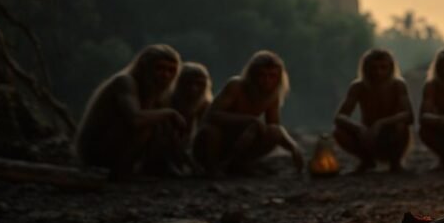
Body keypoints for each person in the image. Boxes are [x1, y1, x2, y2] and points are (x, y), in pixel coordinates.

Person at [73, 45, 184, 179]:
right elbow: (135, 119)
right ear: (145, 67)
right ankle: (122, 171)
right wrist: (170, 113)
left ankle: (156, 166)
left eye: (171, 70)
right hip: (96, 151)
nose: (166, 75)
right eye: (160, 68)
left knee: (163, 122)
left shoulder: (157, 94)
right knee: (150, 122)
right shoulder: (125, 82)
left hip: (117, 145)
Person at [193, 51, 303, 175]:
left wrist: (293, 147)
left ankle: (238, 164)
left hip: (241, 142)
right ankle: (212, 168)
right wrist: (250, 120)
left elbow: (274, 127)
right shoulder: (236, 86)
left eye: (272, 76)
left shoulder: (272, 96)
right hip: (215, 141)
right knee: (211, 132)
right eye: (262, 75)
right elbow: (212, 116)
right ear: (252, 75)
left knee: (273, 133)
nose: (267, 81)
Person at [333, 49, 413, 172]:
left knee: (401, 125)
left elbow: (409, 115)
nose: (378, 72)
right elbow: (340, 117)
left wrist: (381, 123)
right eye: (374, 68)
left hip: (391, 133)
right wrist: (359, 128)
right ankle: (366, 161)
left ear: (390, 68)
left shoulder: (398, 85)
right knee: (339, 132)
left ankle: (396, 163)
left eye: (383, 67)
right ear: (366, 68)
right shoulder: (358, 86)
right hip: (367, 135)